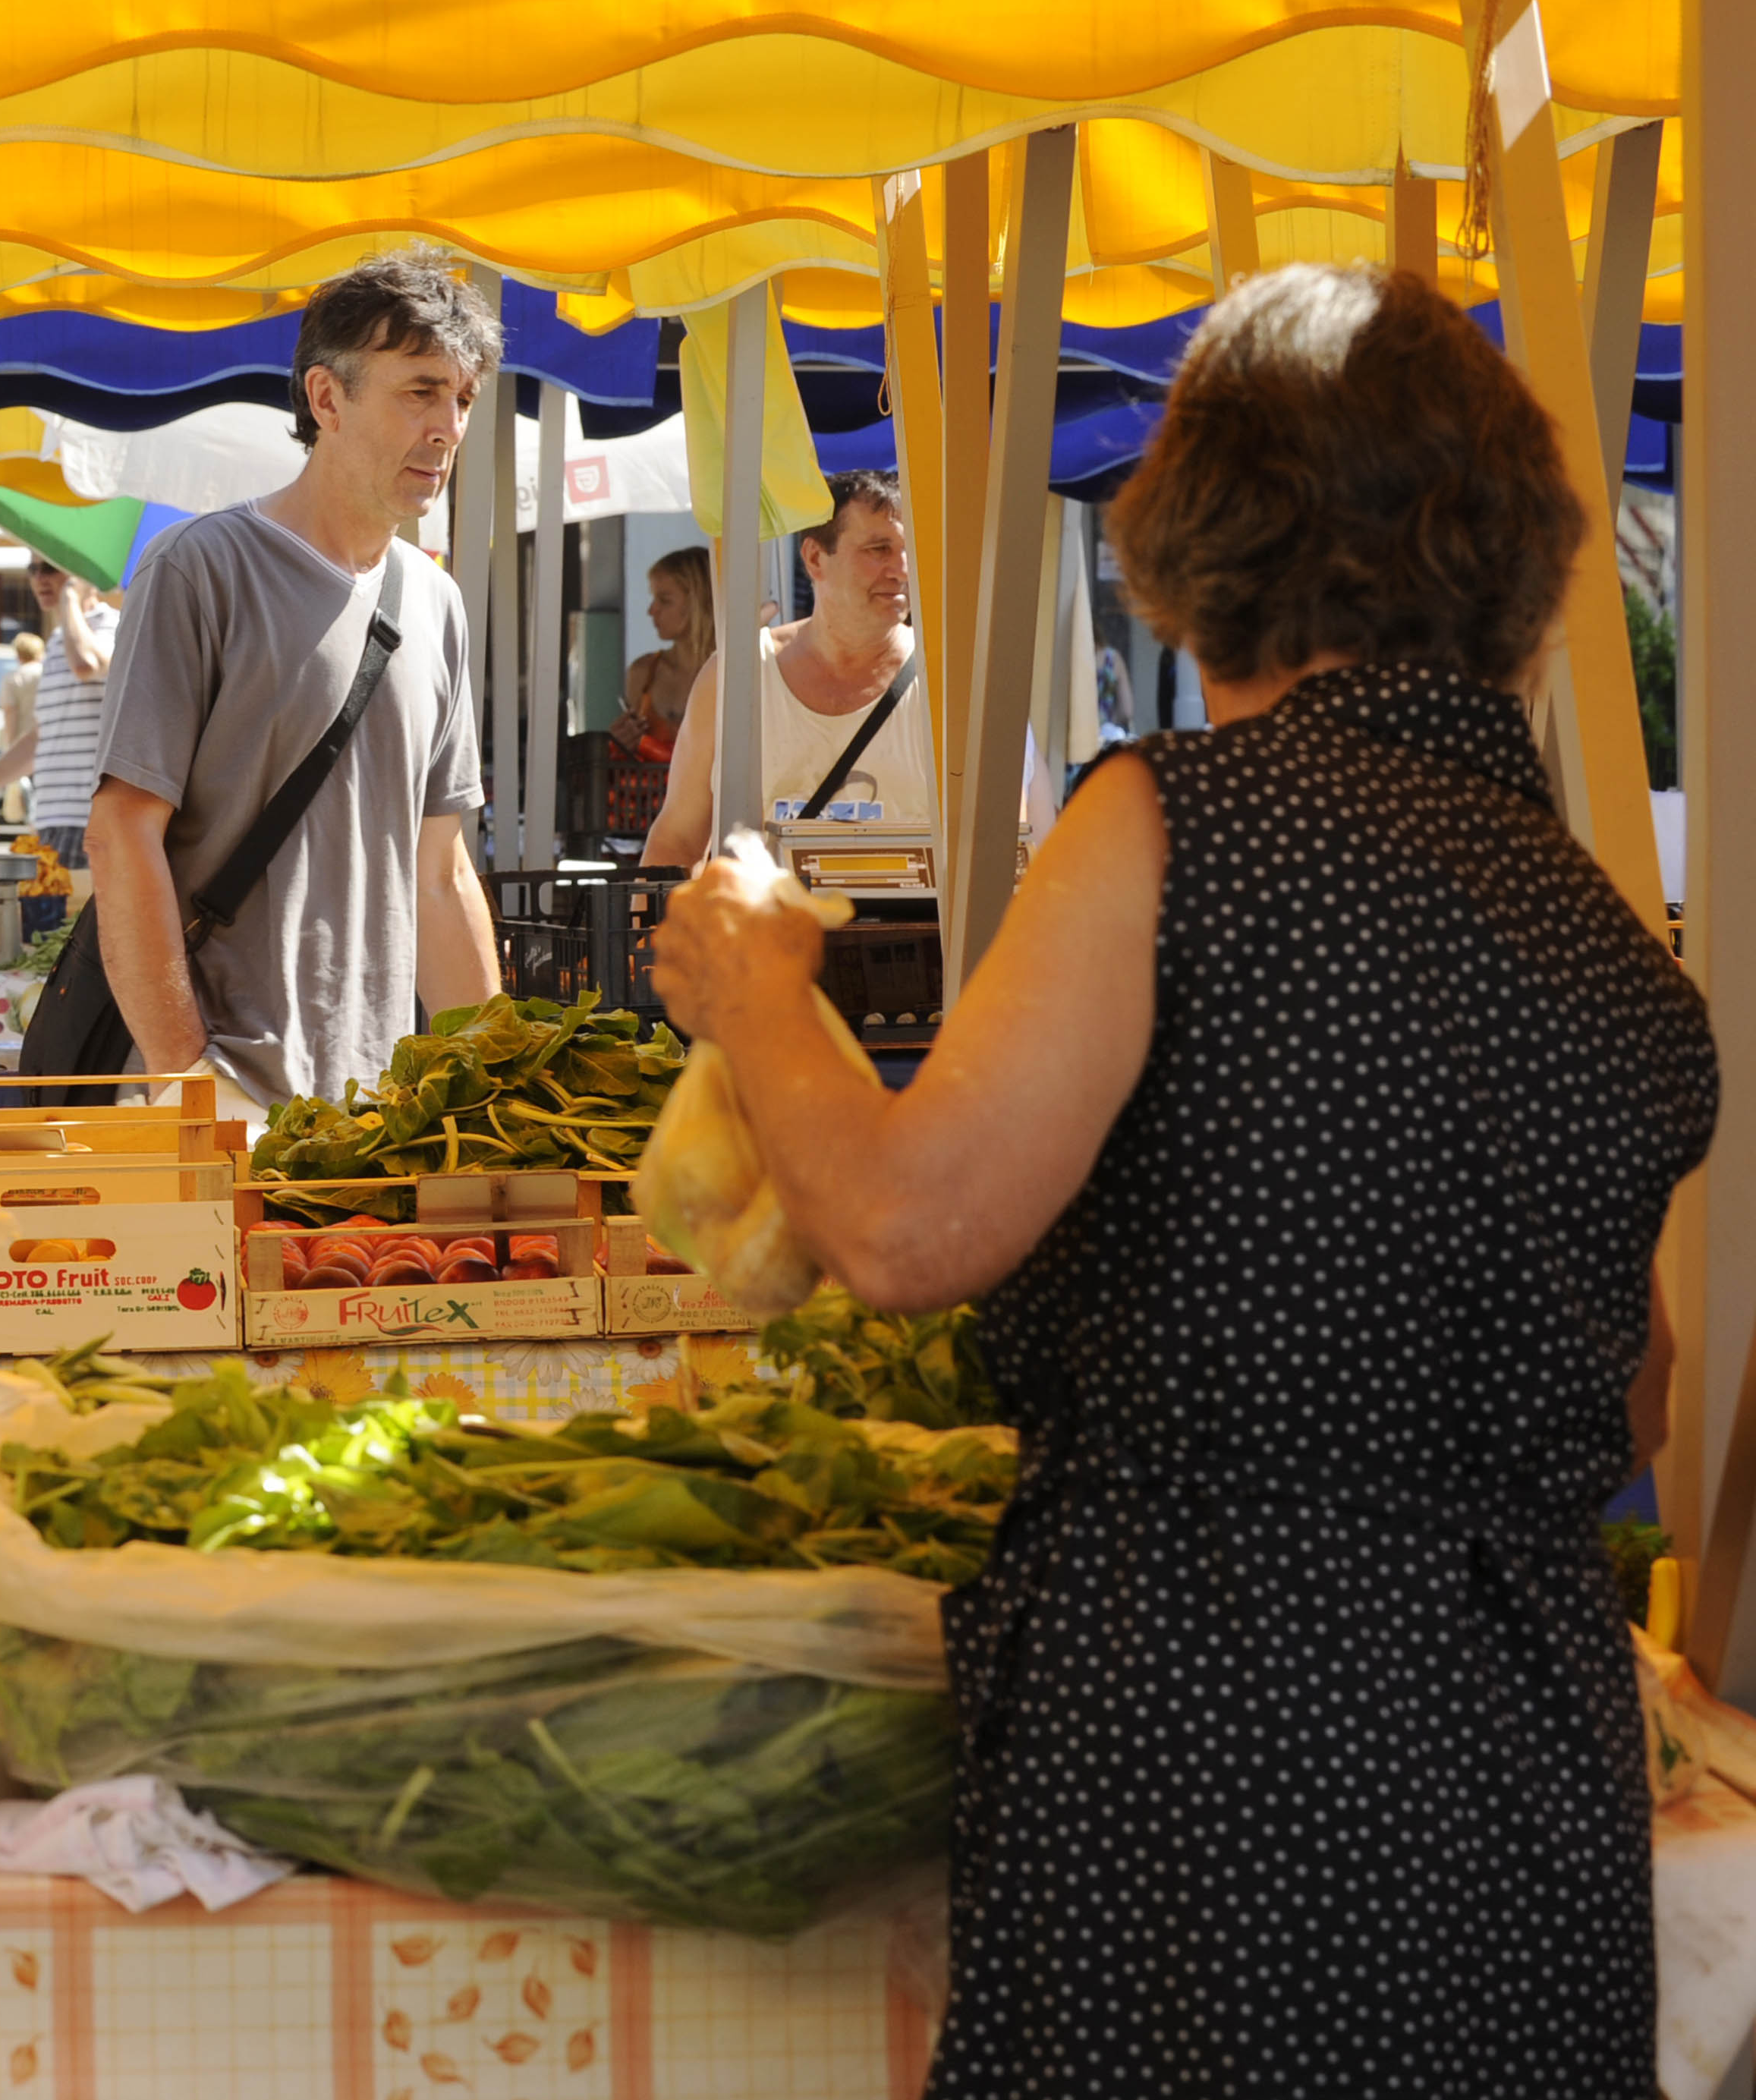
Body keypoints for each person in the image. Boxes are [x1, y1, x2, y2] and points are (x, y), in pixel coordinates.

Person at [648, 263, 1717, 2096]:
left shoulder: (1180, 822)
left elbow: (906, 1225)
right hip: (1526, 1775)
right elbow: (1636, 1399)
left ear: (1212, 537)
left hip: (1207, 1744)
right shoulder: (1613, 948)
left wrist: (757, 994)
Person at [88, 244, 502, 1113]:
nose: (449, 426)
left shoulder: (436, 601)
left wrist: (493, 1087)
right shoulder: (201, 569)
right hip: (221, 1084)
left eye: (462, 398)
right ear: (327, 397)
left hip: (375, 1107)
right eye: (420, 390)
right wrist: (184, 1074)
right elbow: (122, 831)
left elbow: (441, 873)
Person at [639, 471, 1056, 866]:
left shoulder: (961, 682)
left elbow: (1011, 851)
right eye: (879, 550)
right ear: (816, 558)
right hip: (769, 939)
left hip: (920, 941)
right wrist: (646, 939)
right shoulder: (737, 676)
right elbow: (678, 840)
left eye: (911, 550)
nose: (902, 570)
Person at [25, 558, 118, 867]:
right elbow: (43, 736)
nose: (40, 579)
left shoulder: (114, 625)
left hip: (87, 820)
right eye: (33, 569)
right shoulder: (56, 642)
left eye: (50, 567)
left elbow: (86, 665)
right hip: (50, 819)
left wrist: (70, 597)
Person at [619, 544, 715, 735]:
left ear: (699, 602)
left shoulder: (737, 672)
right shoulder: (643, 674)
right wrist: (619, 745)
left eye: (664, 600)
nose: (651, 610)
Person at [0, 629, 45, 819]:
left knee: (25, 795)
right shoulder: (47, 674)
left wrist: (9, 744)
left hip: (22, 744)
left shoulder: (13, 678)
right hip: (47, 742)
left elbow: (10, 713)